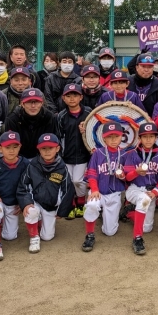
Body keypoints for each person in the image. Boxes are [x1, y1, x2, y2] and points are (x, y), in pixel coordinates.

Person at [82, 123, 137, 252]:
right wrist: (94, 189)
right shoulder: (97, 153)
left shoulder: (124, 154)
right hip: (99, 191)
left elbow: (128, 177)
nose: (113, 140)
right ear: (104, 138)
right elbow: (91, 173)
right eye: (109, 137)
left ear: (121, 136)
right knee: (92, 205)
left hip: (115, 193)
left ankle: (106, 216)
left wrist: (122, 176)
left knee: (110, 232)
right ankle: (90, 235)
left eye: (116, 136)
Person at [17, 134, 74, 253]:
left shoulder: (62, 167)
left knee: (47, 237)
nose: (47, 151)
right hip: (35, 201)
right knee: (31, 211)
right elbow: (23, 186)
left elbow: (68, 189)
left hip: (51, 205)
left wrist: (62, 210)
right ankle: (34, 237)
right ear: (38, 149)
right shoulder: (32, 165)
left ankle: (41, 221)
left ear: (57, 148)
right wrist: (26, 203)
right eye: (43, 148)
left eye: (50, 148)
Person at [0, 132, 29, 261]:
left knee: (10, 236)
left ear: (20, 147)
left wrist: (23, 202)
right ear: (0, 148)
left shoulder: (25, 163)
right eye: (7, 147)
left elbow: (29, 184)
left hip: (14, 203)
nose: (11, 150)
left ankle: (2, 222)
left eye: (15, 147)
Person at [123, 122, 158, 255]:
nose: (148, 140)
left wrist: (155, 191)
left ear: (156, 138)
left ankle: (129, 213)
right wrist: (136, 172)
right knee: (143, 200)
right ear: (139, 138)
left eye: (151, 136)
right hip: (135, 189)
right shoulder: (132, 153)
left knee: (147, 228)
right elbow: (127, 178)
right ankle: (137, 238)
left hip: (151, 192)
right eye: (145, 137)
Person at [55, 84, 91, 219]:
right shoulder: (61, 116)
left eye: (75, 95)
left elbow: (95, 131)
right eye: (68, 96)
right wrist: (59, 155)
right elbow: (59, 137)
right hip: (67, 155)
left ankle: (81, 201)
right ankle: (71, 204)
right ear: (63, 98)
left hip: (83, 155)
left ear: (81, 97)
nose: (72, 99)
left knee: (78, 181)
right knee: (68, 181)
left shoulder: (88, 113)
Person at [3, 88, 57, 160]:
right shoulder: (13, 119)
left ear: (42, 103)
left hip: (42, 157)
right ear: (22, 104)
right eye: (29, 102)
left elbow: (52, 142)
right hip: (19, 158)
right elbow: (10, 144)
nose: (33, 106)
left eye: (36, 102)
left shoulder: (49, 117)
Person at [128, 53, 158, 117]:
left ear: (153, 68)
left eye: (150, 67)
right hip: (128, 120)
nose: (146, 70)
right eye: (143, 66)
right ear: (137, 67)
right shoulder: (127, 82)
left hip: (151, 121)